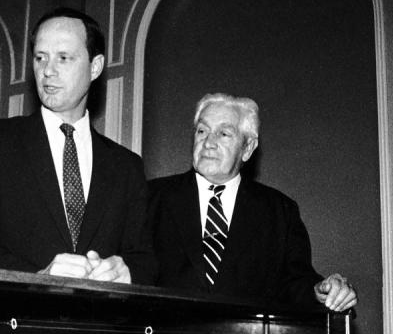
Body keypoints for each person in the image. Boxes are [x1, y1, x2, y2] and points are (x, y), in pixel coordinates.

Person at [0, 7, 156, 284]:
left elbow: (145, 258)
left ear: (95, 67)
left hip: (96, 324)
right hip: (15, 319)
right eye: (40, 58)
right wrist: (36, 280)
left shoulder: (125, 165)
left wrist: (126, 270)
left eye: (63, 58)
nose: (48, 70)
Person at [148, 93, 357, 312]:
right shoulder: (152, 197)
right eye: (202, 131)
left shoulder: (279, 212)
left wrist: (322, 291)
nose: (209, 142)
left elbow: (296, 282)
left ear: (247, 148)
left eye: (224, 133)